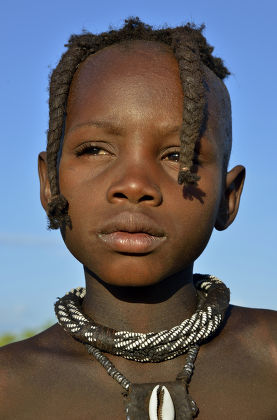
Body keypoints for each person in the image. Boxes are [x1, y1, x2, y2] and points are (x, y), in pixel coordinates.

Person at [0, 18, 276, 419]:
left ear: (228, 198)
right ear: (50, 184)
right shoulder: (9, 389)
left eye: (178, 155)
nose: (133, 184)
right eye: (95, 150)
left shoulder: (270, 361)